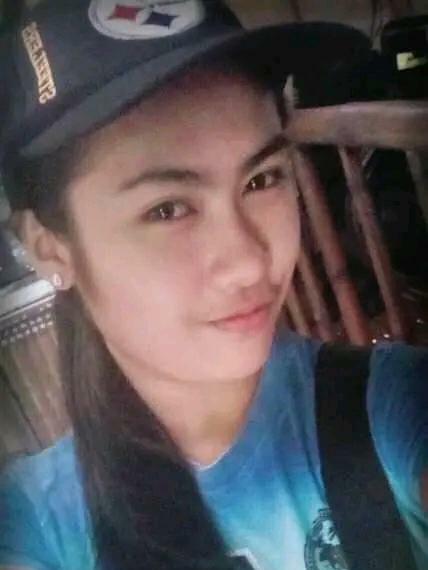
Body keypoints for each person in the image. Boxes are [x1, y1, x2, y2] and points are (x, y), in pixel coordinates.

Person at [0, 1, 427, 570]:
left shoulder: (392, 403)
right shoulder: (32, 526)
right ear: (52, 249)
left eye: (262, 178)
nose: (249, 263)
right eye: (168, 208)